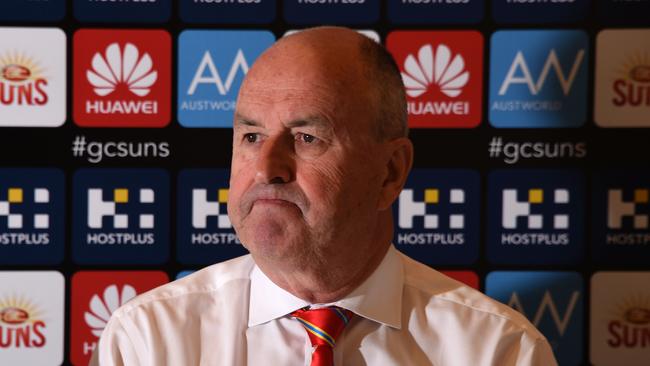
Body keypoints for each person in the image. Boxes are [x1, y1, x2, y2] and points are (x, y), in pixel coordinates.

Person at [91, 27, 557, 365]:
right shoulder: (146, 341)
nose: (267, 169)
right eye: (251, 136)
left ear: (390, 173)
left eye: (307, 138)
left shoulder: (498, 350)